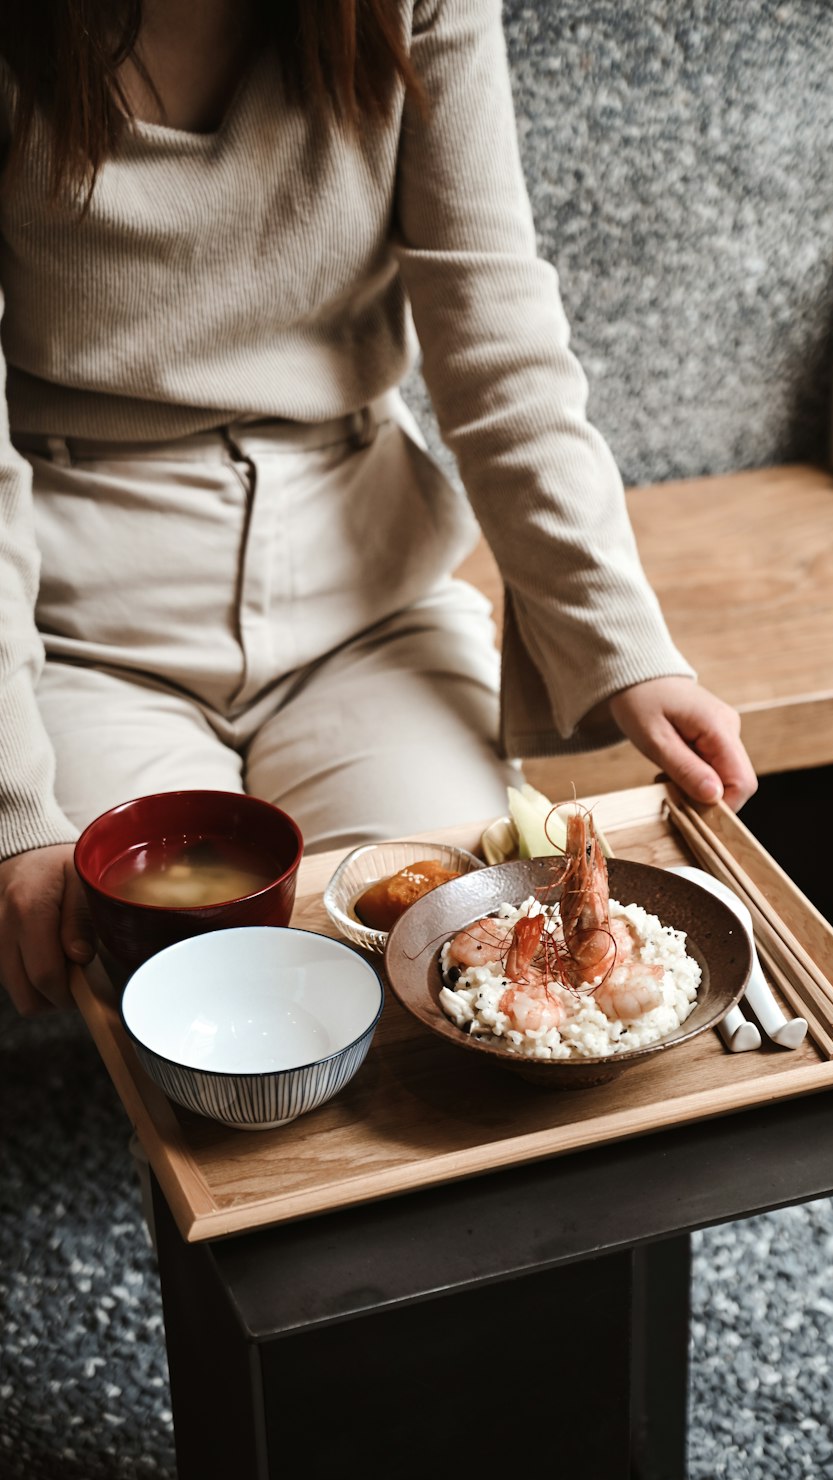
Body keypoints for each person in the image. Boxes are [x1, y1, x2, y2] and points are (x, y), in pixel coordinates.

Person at [0, 0, 757, 1019]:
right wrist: (14, 807)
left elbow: (500, 346)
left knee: (458, 952)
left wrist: (627, 645)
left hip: (366, 600)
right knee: (187, 990)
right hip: (79, 626)